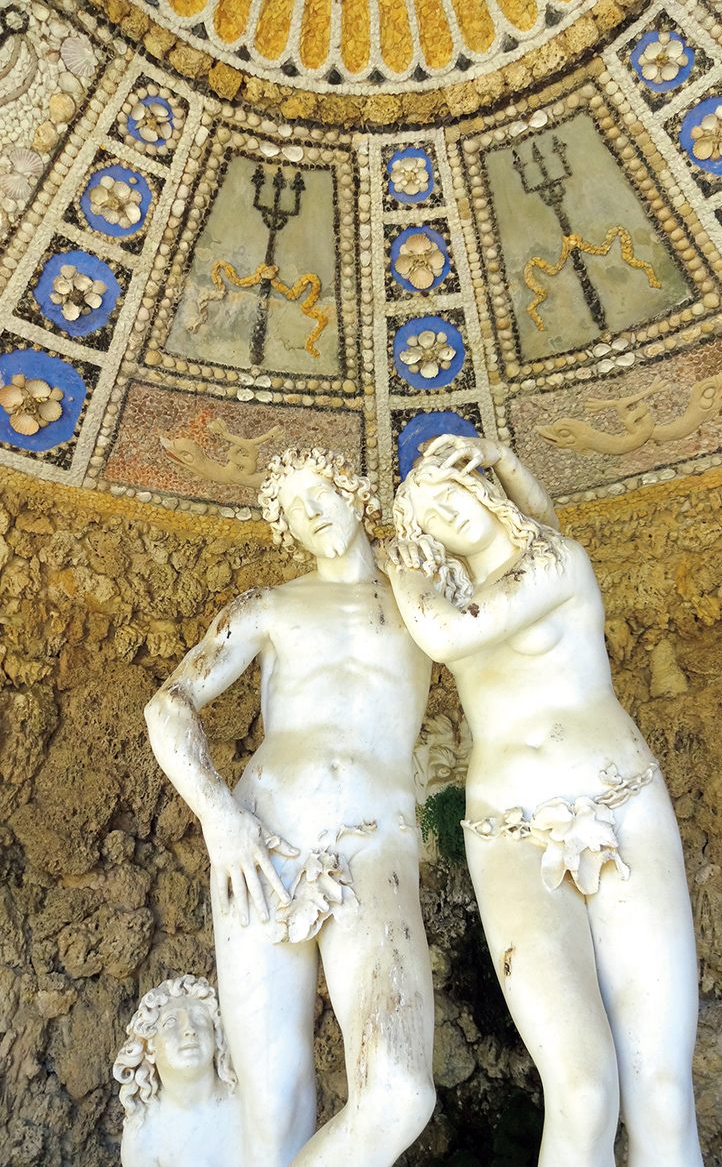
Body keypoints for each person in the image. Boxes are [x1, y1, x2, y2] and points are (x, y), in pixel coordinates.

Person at [386, 435, 703, 1167]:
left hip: (619, 805)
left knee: (659, 1088)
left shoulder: (556, 562)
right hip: (508, 832)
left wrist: (495, 464)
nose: (443, 518)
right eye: (425, 520)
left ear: (481, 490)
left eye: (448, 495)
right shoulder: (459, 590)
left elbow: (446, 634)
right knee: (582, 1089)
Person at [144, 448, 435, 1167]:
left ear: (355, 494)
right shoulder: (269, 605)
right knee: (272, 1109)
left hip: (372, 842)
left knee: (397, 1091)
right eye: (293, 512)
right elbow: (168, 705)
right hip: (260, 842)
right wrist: (220, 819)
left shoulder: (423, 595)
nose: (311, 515)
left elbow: (530, 578)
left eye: (320, 495)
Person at [114, 974, 241, 1167]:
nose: (189, 1029)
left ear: (216, 1037)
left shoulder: (246, 1103)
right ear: (149, 1048)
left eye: (199, 1018)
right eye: (171, 1021)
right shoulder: (144, 1135)